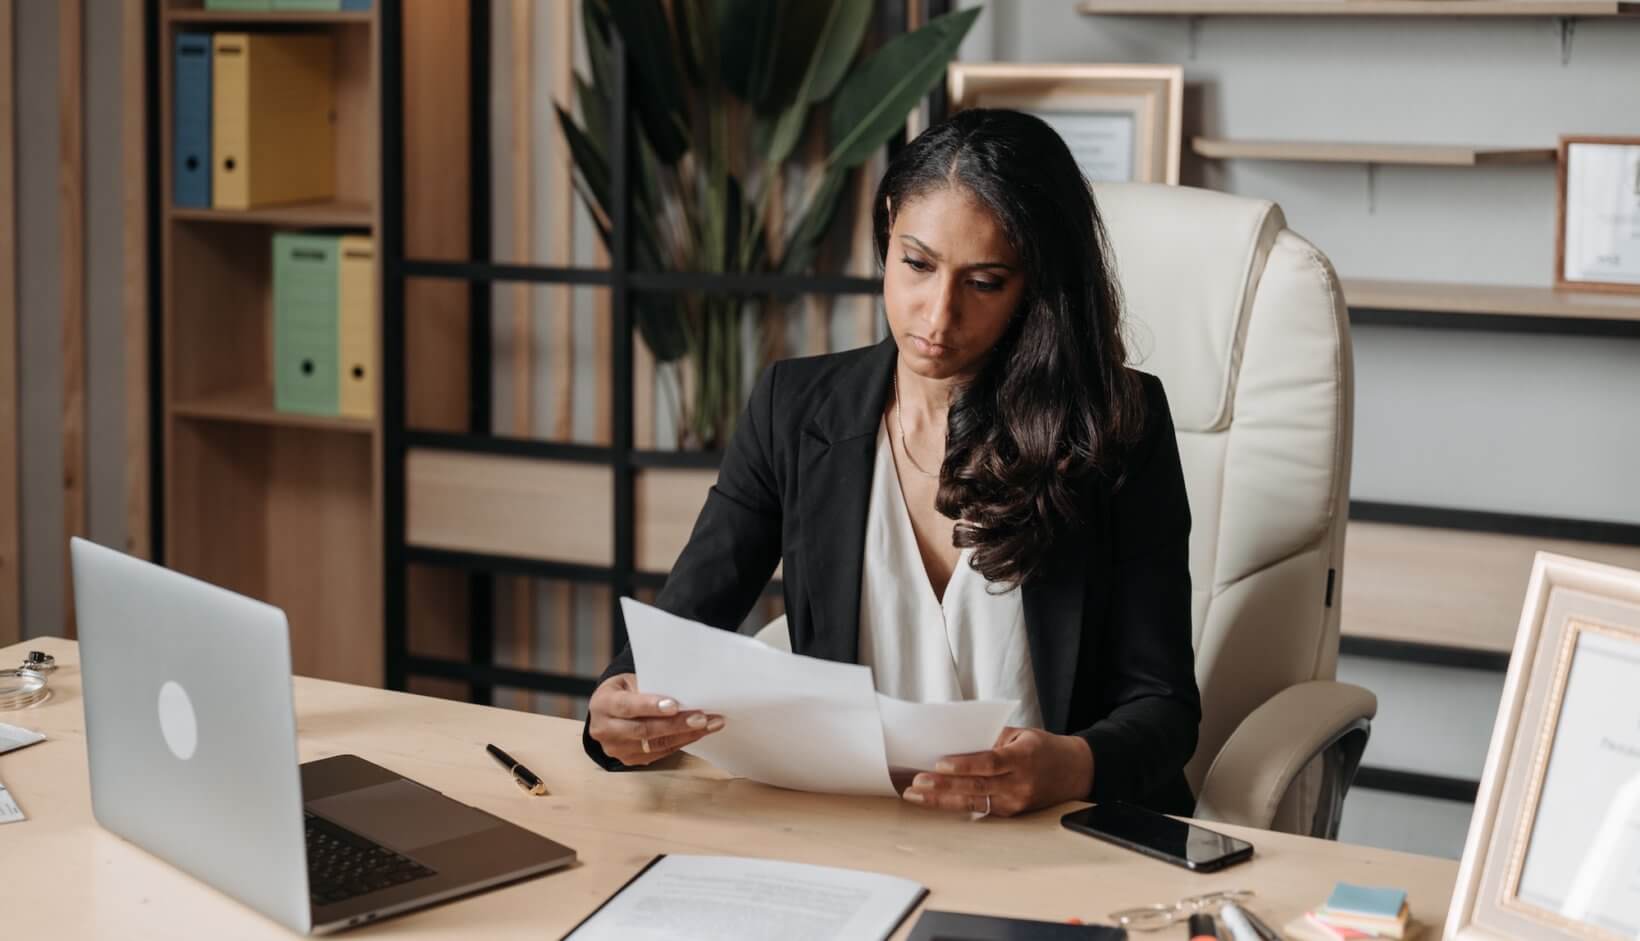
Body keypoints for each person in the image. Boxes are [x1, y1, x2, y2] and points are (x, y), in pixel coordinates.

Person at [583, 108, 1200, 818]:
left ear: (1037, 284)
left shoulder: (1115, 425)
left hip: (1058, 834)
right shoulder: (796, 409)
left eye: (985, 282)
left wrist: (1067, 766)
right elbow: (678, 632)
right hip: (860, 830)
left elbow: (1164, 709)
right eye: (917, 264)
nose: (936, 318)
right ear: (886, 230)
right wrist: (618, 706)